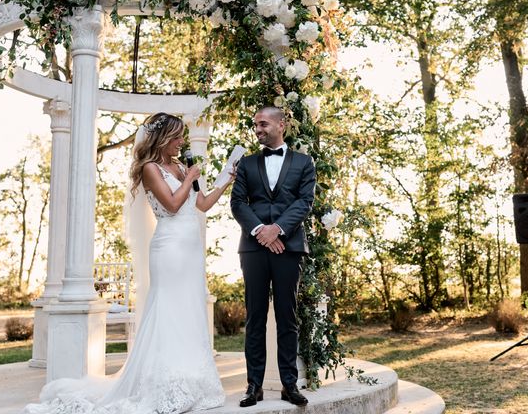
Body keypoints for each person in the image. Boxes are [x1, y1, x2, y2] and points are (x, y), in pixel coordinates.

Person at [23, 112, 234, 414]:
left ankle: (192, 378)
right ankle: (164, 380)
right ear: (162, 138)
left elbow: (201, 204)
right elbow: (173, 206)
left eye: (181, 137)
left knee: (189, 308)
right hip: (169, 248)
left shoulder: (179, 165)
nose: (181, 142)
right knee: (169, 310)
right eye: (176, 136)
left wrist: (225, 179)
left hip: (190, 250)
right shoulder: (150, 169)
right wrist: (190, 177)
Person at [231, 106, 316, 407]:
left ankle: (289, 384)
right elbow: (238, 203)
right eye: (255, 125)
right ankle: (253, 386)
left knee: (287, 317)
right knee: (255, 316)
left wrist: (277, 230)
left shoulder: (304, 163)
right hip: (253, 248)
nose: (258, 130)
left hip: (288, 246)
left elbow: (304, 202)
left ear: (281, 124)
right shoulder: (247, 163)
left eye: (263, 124)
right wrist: (261, 231)